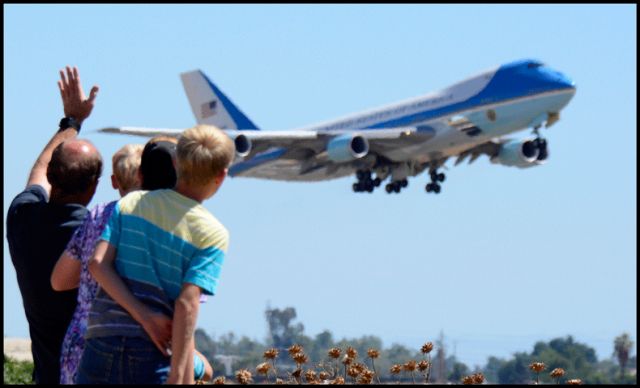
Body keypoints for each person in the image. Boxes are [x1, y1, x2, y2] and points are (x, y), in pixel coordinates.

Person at [78, 126, 233, 384]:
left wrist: (143, 314)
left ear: (176, 162)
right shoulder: (212, 233)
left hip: (100, 343)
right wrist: (178, 375)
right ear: (221, 176)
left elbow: (97, 264)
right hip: (153, 352)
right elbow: (186, 305)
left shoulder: (130, 204)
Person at [6, 66, 101, 384]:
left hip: (47, 375)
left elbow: (38, 172)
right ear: (93, 187)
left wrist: (71, 123)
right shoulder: (99, 235)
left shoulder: (22, 217)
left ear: (52, 178)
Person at [51, 143, 144, 384]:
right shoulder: (157, 223)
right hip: (132, 343)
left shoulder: (97, 215)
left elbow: (59, 281)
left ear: (114, 181)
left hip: (83, 340)